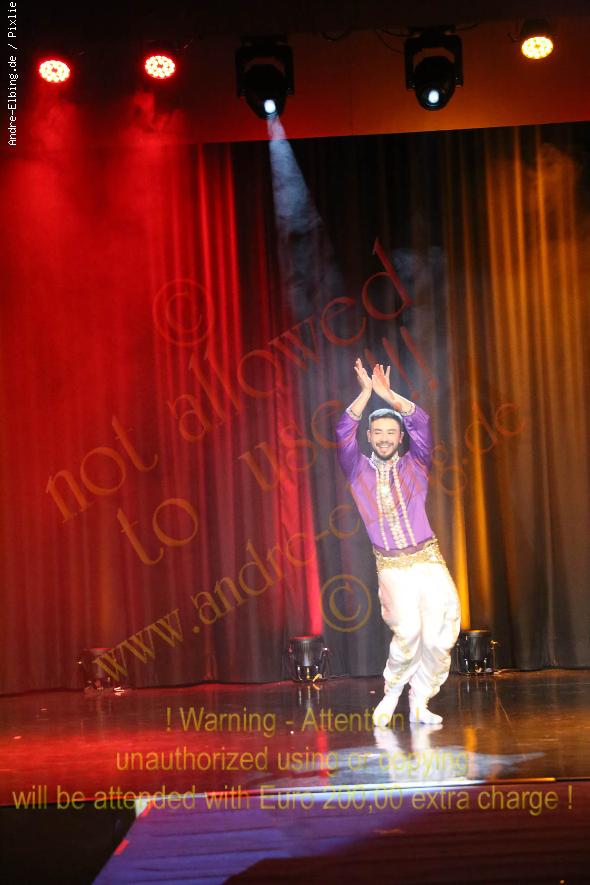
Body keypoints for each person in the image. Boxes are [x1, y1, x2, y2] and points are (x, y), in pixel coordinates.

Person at [335, 358, 461, 726]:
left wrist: (391, 397)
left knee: (439, 635)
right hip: (392, 566)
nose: (385, 438)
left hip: (428, 560)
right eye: (378, 432)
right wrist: (365, 394)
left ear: (400, 437)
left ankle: (420, 700)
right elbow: (343, 431)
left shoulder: (416, 463)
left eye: (392, 432)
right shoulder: (357, 469)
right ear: (369, 436)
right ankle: (392, 694)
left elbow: (421, 422)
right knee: (408, 632)